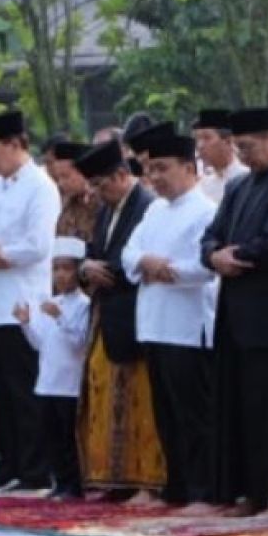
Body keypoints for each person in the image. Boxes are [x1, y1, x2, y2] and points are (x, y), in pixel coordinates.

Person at [201, 107, 268, 516]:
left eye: (247, 146)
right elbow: (210, 234)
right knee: (236, 404)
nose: (242, 155)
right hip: (233, 309)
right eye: (238, 147)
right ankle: (243, 490)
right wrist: (213, 256)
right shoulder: (240, 186)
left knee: (265, 408)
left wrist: (234, 256)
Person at [0, 110, 60, 490]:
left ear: (16, 144)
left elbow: (37, 246)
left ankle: (34, 467)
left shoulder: (40, 185)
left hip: (25, 301)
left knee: (24, 389)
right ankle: (8, 463)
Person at [122, 132, 219, 511]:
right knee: (165, 412)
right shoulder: (154, 210)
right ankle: (176, 485)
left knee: (194, 413)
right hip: (153, 322)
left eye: (163, 169)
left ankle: (203, 489)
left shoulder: (206, 211)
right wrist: (145, 263)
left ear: (189, 169)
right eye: (150, 170)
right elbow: (130, 251)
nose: (156, 177)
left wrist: (165, 268)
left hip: (188, 325)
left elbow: (205, 267)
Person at [74, 139, 167, 500]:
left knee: (140, 403)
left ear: (122, 175)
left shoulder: (145, 206)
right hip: (106, 316)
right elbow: (92, 255)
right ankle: (111, 478)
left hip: (134, 316)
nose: (97, 193)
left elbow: (136, 261)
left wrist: (104, 270)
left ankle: (147, 481)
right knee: (105, 397)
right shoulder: (105, 211)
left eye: (102, 184)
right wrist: (86, 268)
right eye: (93, 186)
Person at [15, 236, 91, 499]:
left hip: (70, 384)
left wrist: (60, 318)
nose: (60, 275)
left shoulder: (84, 305)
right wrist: (26, 323)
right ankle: (58, 482)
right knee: (51, 437)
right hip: (47, 383)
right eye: (56, 268)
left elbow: (79, 343)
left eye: (66, 268)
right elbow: (40, 343)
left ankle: (74, 484)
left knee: (69, 438)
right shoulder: (52, 303)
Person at [194, 110, 249, 204]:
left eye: (207, 138)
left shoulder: (246, 179)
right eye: (198, 139)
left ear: (228, 141)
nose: (200, 145)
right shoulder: (203, 185)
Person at [51, 139, 100, 240]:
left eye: (65, 176)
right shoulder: (65, 204)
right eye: (58, 178)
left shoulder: (102, 203)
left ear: (83, 172)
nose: (60, 183)